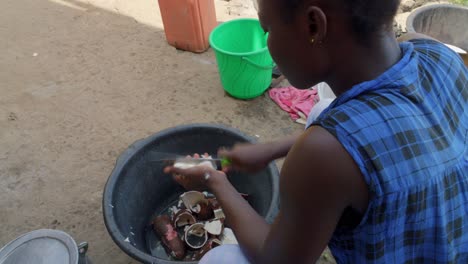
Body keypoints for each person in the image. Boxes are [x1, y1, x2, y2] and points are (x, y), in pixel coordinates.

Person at [164, 0, 468, 263]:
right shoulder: (439, 55)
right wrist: (276, 148)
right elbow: (386, 132)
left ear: (313, 25)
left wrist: (212, 179)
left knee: (220, 259)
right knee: (323, 114)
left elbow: (275, 259)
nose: (268, 44)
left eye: (267, 29)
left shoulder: (324, 155)